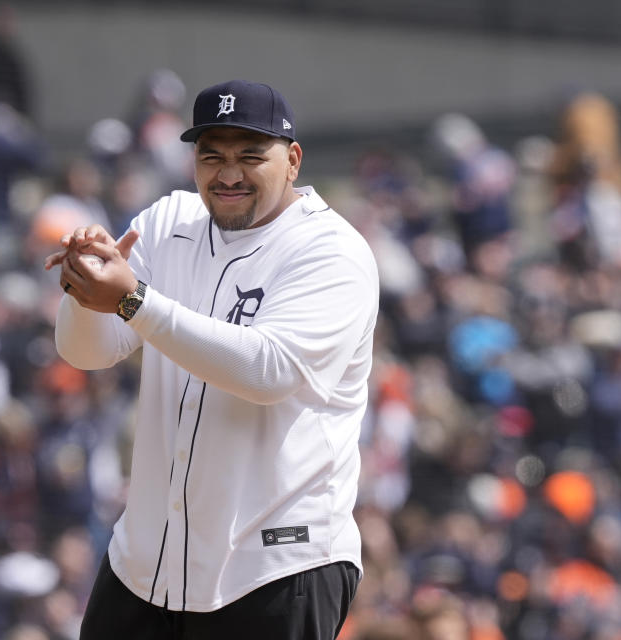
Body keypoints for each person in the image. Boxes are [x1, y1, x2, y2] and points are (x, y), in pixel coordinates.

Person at [45, 80, 378, 640]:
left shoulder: (331, 250)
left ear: (292, 160)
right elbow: (88, 351)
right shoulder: (166, 221)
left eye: (251, 156)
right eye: (212, 155)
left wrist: (131, 301)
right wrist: (84, 290)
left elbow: (269, 372)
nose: (228, 174)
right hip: (144, 565)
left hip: (276, 564)